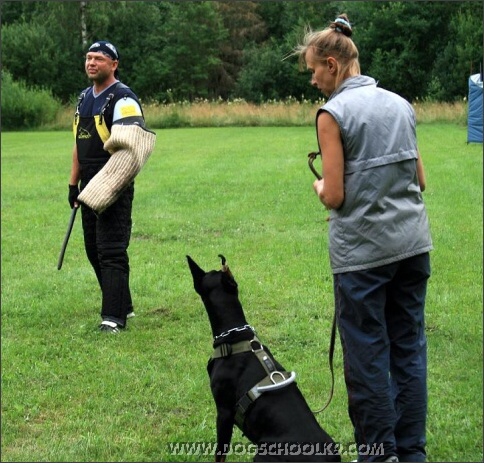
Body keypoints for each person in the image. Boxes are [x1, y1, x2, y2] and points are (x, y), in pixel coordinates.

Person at [293, 15, 433, 463]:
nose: (314, 81)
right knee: (408, 350)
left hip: (363, 258)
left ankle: (378, 455)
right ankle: (410, 453)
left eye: (314, 71)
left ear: (332, 65)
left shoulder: (332, 113)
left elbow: (334, 194)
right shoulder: (400, 104)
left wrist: (317, 186)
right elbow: (421, 180)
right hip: (413, 246)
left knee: (367, 358)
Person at [68, 40, 155, 333]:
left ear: (113, 64)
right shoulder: (83, 98)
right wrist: (73, 184)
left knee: (112, 250)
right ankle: (123, 305)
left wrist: (106, 186)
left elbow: (130, 150)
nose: (91, 63)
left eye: (99, 59)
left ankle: (112, 319)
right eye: (89, 58)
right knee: (93, 249)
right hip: (86, 181)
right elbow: (78, 145)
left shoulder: (124, 99)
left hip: (114, 180)